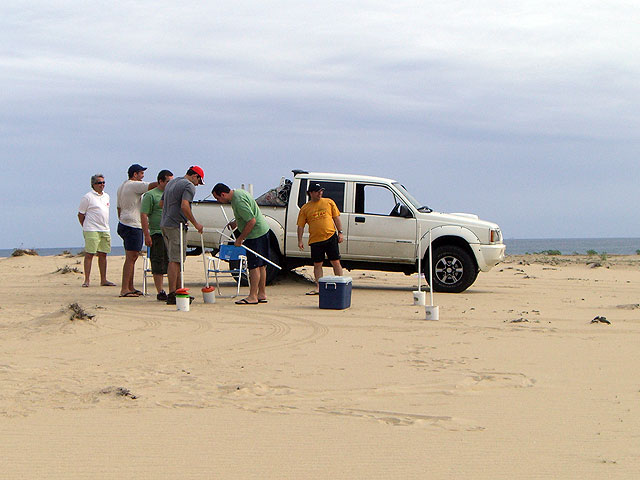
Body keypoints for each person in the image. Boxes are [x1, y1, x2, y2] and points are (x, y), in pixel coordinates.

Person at [212, 183, 270, 305]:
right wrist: (236, 223)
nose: (219, 201)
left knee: (254, 266)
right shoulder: (238, 193)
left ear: (223, 194)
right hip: (263, 230)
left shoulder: (238, 201)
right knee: (261, 265)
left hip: (256, 234)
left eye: (218, 198)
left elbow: (251, 221)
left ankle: (253, 296)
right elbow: (246, 215)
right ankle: (261, 293)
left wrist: (240, 239)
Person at [160, 166, 205, 305]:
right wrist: (195, 223)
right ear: (194, 176)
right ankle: (173, 294)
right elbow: (185, 206)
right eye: (199, 180)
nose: (198, 184)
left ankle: (179, 292)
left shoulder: (172, 183)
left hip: (165, 224)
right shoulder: (189, 186)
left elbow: (161, 203)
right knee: (175, 260)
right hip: (175, 225)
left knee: (176, 259)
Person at [116, 164, 158, 297]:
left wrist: (123, 218)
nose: (142, 176)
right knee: (131, 257)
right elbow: (151, 185)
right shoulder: (133, 185)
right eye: (141, 173)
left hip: (124, 222)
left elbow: (118, 208)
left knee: (133, 257)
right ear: (134, 174)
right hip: (132, 225)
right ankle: (124, 289)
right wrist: (166, 182)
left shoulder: (122, 186)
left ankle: (130, 286)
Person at [297, 183, 344, 295]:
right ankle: (318, 286)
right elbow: (300, 225)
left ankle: (340, 283)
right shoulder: (305, 208)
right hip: (315, 240)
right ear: (311, 193)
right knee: (318, 264)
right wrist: (300, 240)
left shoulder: (329, 202)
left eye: (321, 191)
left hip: (330, 236)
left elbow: (336, 218)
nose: (320, 193)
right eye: (317, 191)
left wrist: (340, 232)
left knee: (335, 261)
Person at [77, 174, 116, 288]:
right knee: (90, 254)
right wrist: (85, 226)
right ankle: (87, 280)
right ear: (93, 184)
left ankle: (103, 279)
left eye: (103, 182)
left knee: (103, 254)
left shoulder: (106, 196)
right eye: (99, 183)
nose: (102, 185)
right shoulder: (87, 197)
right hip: (91, 229)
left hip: (104, 229)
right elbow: (80, 214)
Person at [141, 169, 174, 301]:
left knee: (172, 261)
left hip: (171, 233)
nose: (170, 184)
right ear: (160, 181)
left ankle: (174, 290)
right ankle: (160, 291)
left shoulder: (172, 194)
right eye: (168, 182)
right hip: (157, 233)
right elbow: (144, 214)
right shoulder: (150, 195)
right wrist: (146, 235)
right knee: (158, 262)